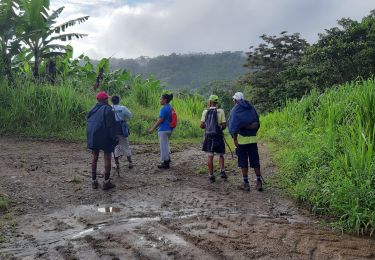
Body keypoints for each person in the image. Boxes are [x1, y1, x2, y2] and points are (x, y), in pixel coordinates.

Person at [228, 92, 263, 191]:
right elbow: (256, 123)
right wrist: (248, 126)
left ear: (235, 100)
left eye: (233, 99)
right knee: (255, 160)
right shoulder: (251, 108)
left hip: (241, 141)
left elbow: (233, 126)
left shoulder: (235, 110)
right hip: (252, 139)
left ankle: (246, 183)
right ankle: (259, 182)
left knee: (243, 162)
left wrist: (234, 139)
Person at [87, 91, 117, 190]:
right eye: (107, 99)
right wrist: (114, 138)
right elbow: (111, 126)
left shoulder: (92, 109)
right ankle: (106, 182)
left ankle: (94, 181)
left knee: (95, 157)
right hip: (105, 136)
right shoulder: (108, 109)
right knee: (107, 157)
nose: (108, 100)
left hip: (93, 136)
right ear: (105, 100)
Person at [200, 95, 227, 183]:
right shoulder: (221, 111)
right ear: (216, 102)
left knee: (210, 156)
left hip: (209, 136)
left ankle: (211, 175)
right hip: (218, 135)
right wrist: (219, 128)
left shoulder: (205, 112)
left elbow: (201, 125)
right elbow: (224, 125)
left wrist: (208, 127)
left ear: (210, 102)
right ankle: (222, 171)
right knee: (221, 154)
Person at [148, 91, 174, 169]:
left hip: (163, 129)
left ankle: (166, 163)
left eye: (161, 99)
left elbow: (160, 120)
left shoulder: (163, 108)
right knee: (166, 145)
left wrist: (152, 128)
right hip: (169, 129)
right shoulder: (170, 107)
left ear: (165, 100)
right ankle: (168, 159)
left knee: (163, 146)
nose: (160, 100)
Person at [111, 95, 133, 173]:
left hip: (113, 130)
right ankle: (130, 162)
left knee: (115, 147)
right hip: (122, 130)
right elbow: (130, 116)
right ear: (119, 100)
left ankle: (117, 164)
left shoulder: (110, 108)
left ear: (112, 101)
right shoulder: (123, 108)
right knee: (126, 145)